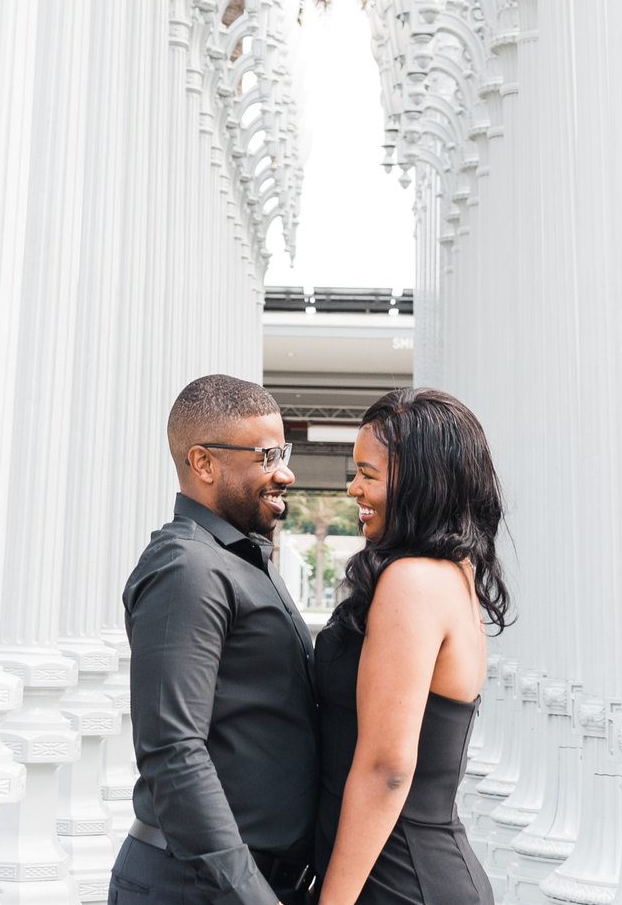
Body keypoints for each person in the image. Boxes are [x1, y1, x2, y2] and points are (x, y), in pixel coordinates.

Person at [115, 374, 319, 905]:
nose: (287, 472)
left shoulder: (243, 559)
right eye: (267, 455)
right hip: (193, 888)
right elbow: (172, 750)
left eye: (284, 451)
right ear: (204, 463)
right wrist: (250, 895)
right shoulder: (189, 567)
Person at [313, 387, 510, 905]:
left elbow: (388, 768)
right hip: (414, 873)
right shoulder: (452, 577)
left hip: (400, 882)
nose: (353, 489)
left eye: (368, 475)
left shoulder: (414, 583)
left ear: (419, 484)